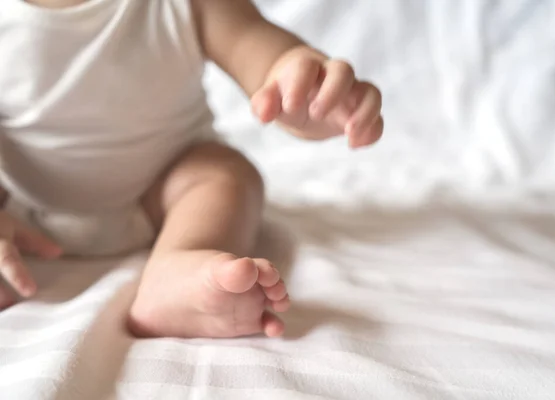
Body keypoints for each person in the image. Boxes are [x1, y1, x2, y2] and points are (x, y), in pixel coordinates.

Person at [0, 0, 384, 338]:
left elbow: (262, 55)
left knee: (227, 174)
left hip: (164, 192)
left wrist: (310, 93)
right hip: (17, 208)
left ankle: (178, 265)